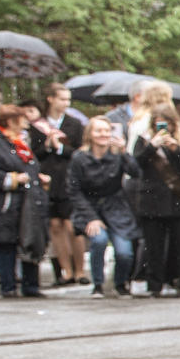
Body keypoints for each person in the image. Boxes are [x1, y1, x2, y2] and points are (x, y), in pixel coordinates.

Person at [125, 102, 180, 297]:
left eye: (166, 125)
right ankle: (154, 285)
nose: (162, 129)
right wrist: (151, 147)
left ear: (174, 124)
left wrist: (175, 150)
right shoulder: (144, 140)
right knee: (153, 246)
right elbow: (135, 163)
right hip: (151, 200)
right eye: (158, 124)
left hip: (177, 199)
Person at [0, 105, 45, 298]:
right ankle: (8, 286)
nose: (26, 123)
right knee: (6, 244)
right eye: (23, 119)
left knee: (30, 240)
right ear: (11, 121)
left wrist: (37, 177)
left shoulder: (21, 141)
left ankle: (31, 286)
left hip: (28, 203)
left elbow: (29, 166)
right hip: (5, 204)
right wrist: (13, 179)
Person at [69, 118, 138, 296]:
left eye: (107, 130)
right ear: (90, 134)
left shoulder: (116, 155)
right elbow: (74, 190)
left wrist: (124, 152)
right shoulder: (79, 158)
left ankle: (120, 282)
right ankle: (98, 284)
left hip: (115, 207)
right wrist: (91, 217)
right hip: (90, 207)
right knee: (98, 241)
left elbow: (135, 172)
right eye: (98, 131)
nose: (103, 135)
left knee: (124, 251)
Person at [32, 84, 84, 288]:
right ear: (50, 99)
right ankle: (66, 271)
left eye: (68, 100)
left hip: (68, 179)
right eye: (62, 99)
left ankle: (80, 270)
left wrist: (60, 148)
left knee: (72, 226)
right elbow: (33, 153)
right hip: (47, 179)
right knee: (54, 226)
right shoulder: (37, 125)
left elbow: (80, 152)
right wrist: (46, 146)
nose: (66, 103)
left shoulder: (74, 124)